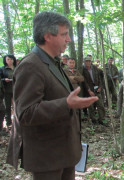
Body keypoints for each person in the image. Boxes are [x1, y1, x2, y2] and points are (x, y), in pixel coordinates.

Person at [6, 11, 98, 179]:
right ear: (48, 36)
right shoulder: (31, 66)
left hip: (63, 153)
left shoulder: (52, 62)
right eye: (64, 34)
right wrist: (67, 104)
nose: (68, 39)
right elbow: (26, 113)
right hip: (47, 157)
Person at [82, 56, 106, 125]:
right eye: (86, 61)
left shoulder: (95, 68)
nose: (88, 62)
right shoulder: (83, 70)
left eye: (89, 61)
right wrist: (89, 90)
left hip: (97, 89)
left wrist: (100, 87)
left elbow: (99, 78)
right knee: (91, 107)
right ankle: (93, 120)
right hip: (89, 90)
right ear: (84, 62)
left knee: (100, 105)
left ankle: (101, 119)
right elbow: (84, 81)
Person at [1, 54, 17, 127]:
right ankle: (9, 123)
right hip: (6, 90)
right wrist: (4, 79)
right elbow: (0, 79)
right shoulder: (2, 69)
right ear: (5, 60)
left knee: (17, 106)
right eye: (8, 59)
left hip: (16, 90)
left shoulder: (17, 68)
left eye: (11, 59)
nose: (10, 61)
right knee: (7, 107)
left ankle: (17, 122)